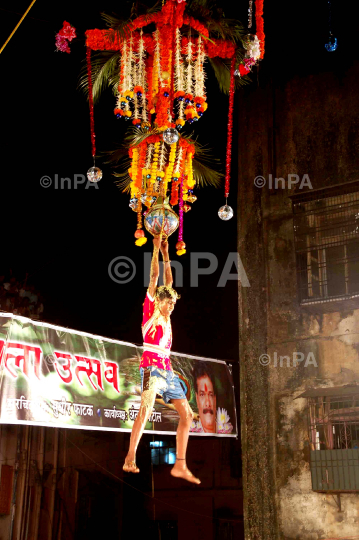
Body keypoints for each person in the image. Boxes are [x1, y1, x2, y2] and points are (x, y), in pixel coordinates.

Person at [123, 236, 200, 484]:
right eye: (169, 303)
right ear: (160, 301)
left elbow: (169, 281)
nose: (172, 307)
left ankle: (180, 465)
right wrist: (155, 248)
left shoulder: (167, 315)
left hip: (167, 370)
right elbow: (156, 279)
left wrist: (168, 254)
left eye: (174, 304)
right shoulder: (151, 308)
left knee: (187, 415)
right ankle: (130, 457)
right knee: (145, 410)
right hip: (152, 368)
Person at [193, 362, 217, 433]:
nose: (207, 403)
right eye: (202, 395)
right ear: (197, 399)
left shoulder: (228, 429)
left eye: (210, 395)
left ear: (215, 399)